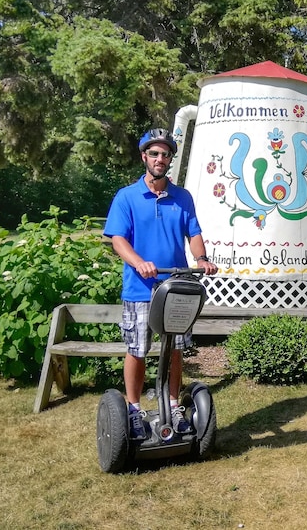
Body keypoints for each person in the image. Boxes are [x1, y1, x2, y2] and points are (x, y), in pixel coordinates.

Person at [104, 128, 218, 440]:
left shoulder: (182, 198)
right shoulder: (127, 196)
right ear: (144, 157)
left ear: (170, 159)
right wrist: (138, 261)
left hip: (176, 288)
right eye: (154, 153)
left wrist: (202, 258)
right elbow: (117, 239)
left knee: (175, 350)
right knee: (138, 350)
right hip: (141, 289)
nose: (160, 159)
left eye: (165, 154)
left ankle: (173, 406)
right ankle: (133, 408)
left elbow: (193, 233)